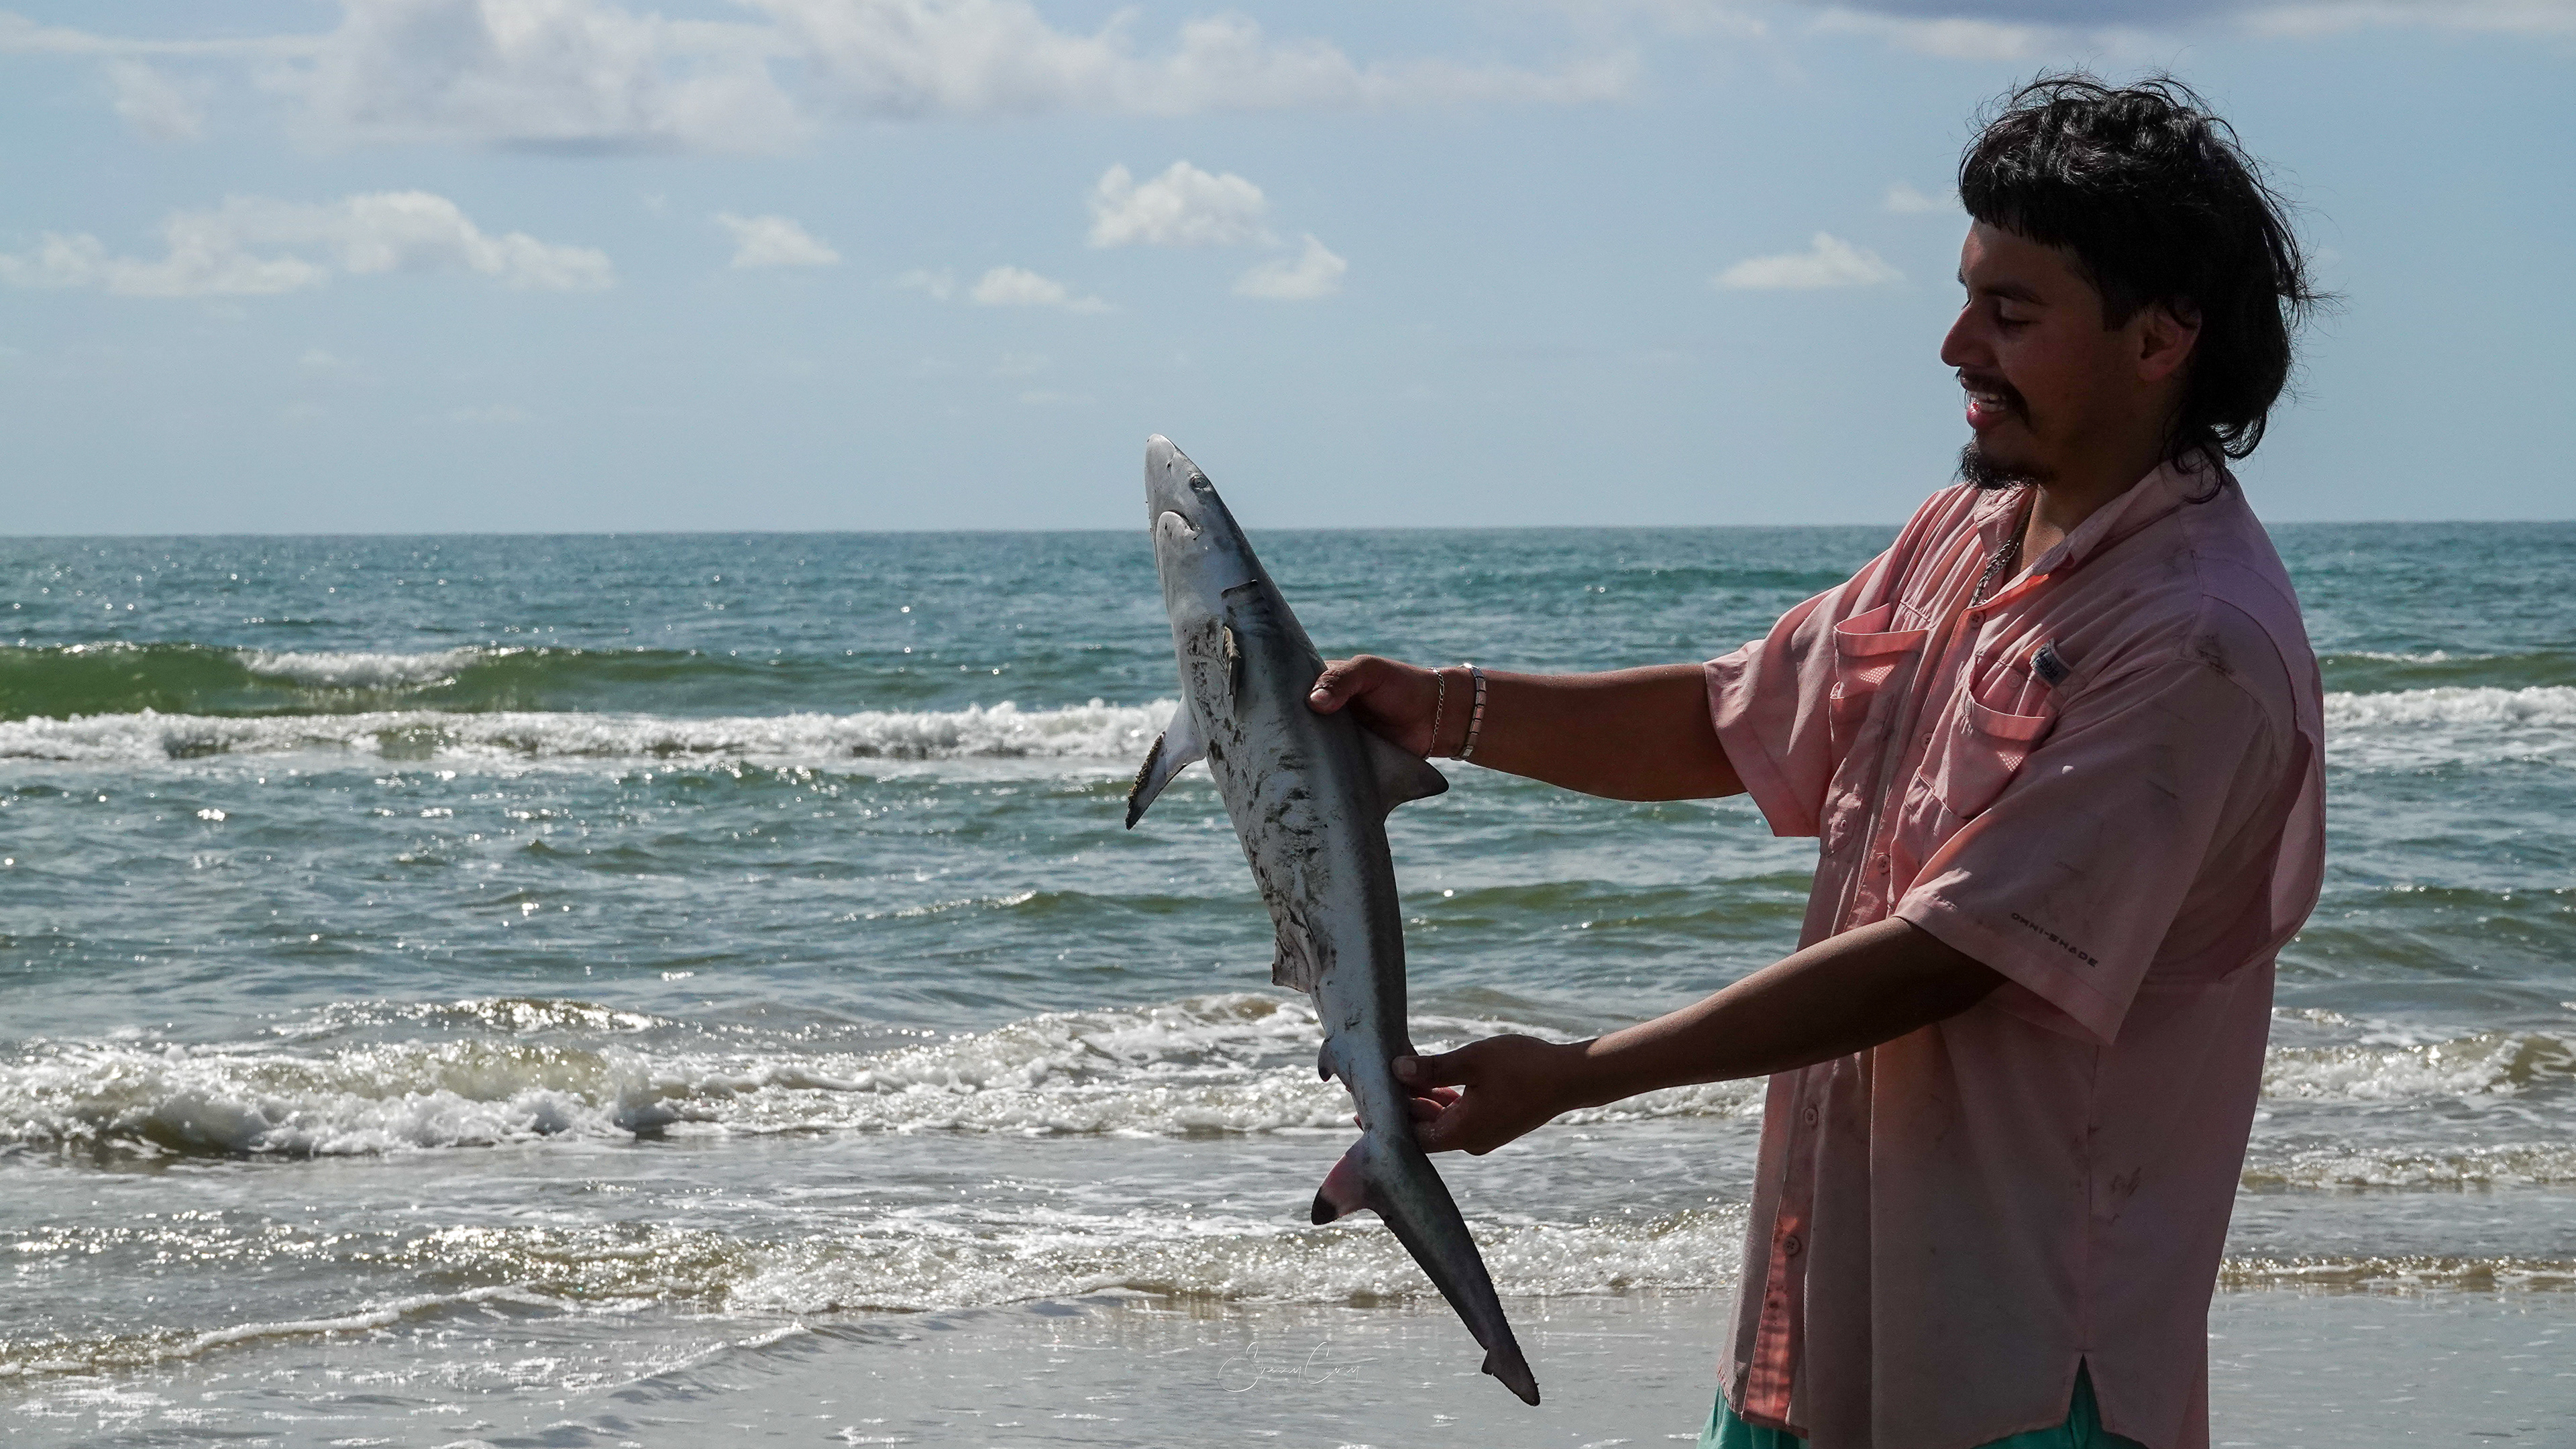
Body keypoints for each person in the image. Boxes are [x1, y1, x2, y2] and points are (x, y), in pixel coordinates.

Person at [1307, 74, 2326, 1449]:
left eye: (2012, 313)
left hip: (2025, 1364)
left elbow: (1950, 954)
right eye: (1967, 298)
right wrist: (1446, 710)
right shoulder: (1969, 533)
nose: (1957, 345)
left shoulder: (2198, 642)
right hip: (1819, 1317)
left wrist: (1580, 1074)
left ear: (2161, 336)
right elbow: (1735, 714)